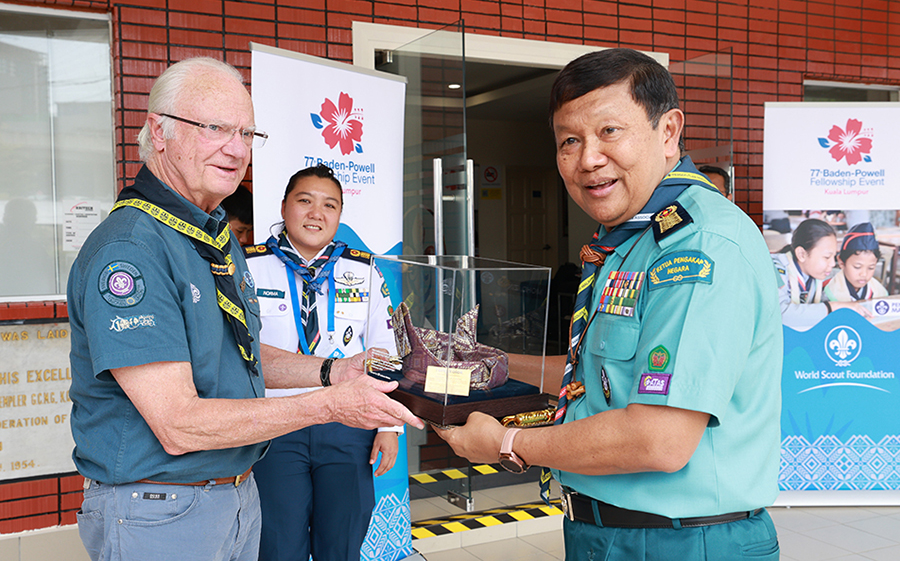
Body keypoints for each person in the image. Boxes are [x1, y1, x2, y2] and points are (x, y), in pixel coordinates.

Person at [67, 56, 422, 561]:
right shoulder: (132, 249)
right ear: (159, 131)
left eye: (247, 133)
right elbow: (178, 423)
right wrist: (329, 405)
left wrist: (335, 370)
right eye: (215, 128)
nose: (236, 149)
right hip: (161, 509)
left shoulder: (213, 237)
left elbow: (240, 355)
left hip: (235, 495)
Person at [437, 48, 783, 560]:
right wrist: (492, 365)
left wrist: (505, 445)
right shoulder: (628, 241)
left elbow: (658, 440)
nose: (588, 159)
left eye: (609, 132)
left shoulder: (700, 246)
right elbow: (595, 378)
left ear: (668, 132)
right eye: (569, 141)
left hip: (685, 541)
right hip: (606, 531)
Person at [246, 164, 400, 561]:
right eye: (305, 201)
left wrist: (387, 425)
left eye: (329, 205)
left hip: (347, 424)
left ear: (339, 215)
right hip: (275, 426)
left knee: (343, 540)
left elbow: (384, 346)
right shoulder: (248, 268)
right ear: (283, 207)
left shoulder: (363, 270)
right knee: (278, 542)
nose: (317, 213)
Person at [771, 218, 869, 328]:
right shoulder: (774, 271)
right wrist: (832, 308)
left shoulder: (816, 273)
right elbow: (781, 316)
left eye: (833, 257)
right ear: (801, 254)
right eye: (827, 257)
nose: (832, 263)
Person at [823, 222, 887, 302]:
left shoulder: (879, 291)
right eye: (857, 267)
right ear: (841, 262)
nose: (864, 274)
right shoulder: (828, 292)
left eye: (871, 268)